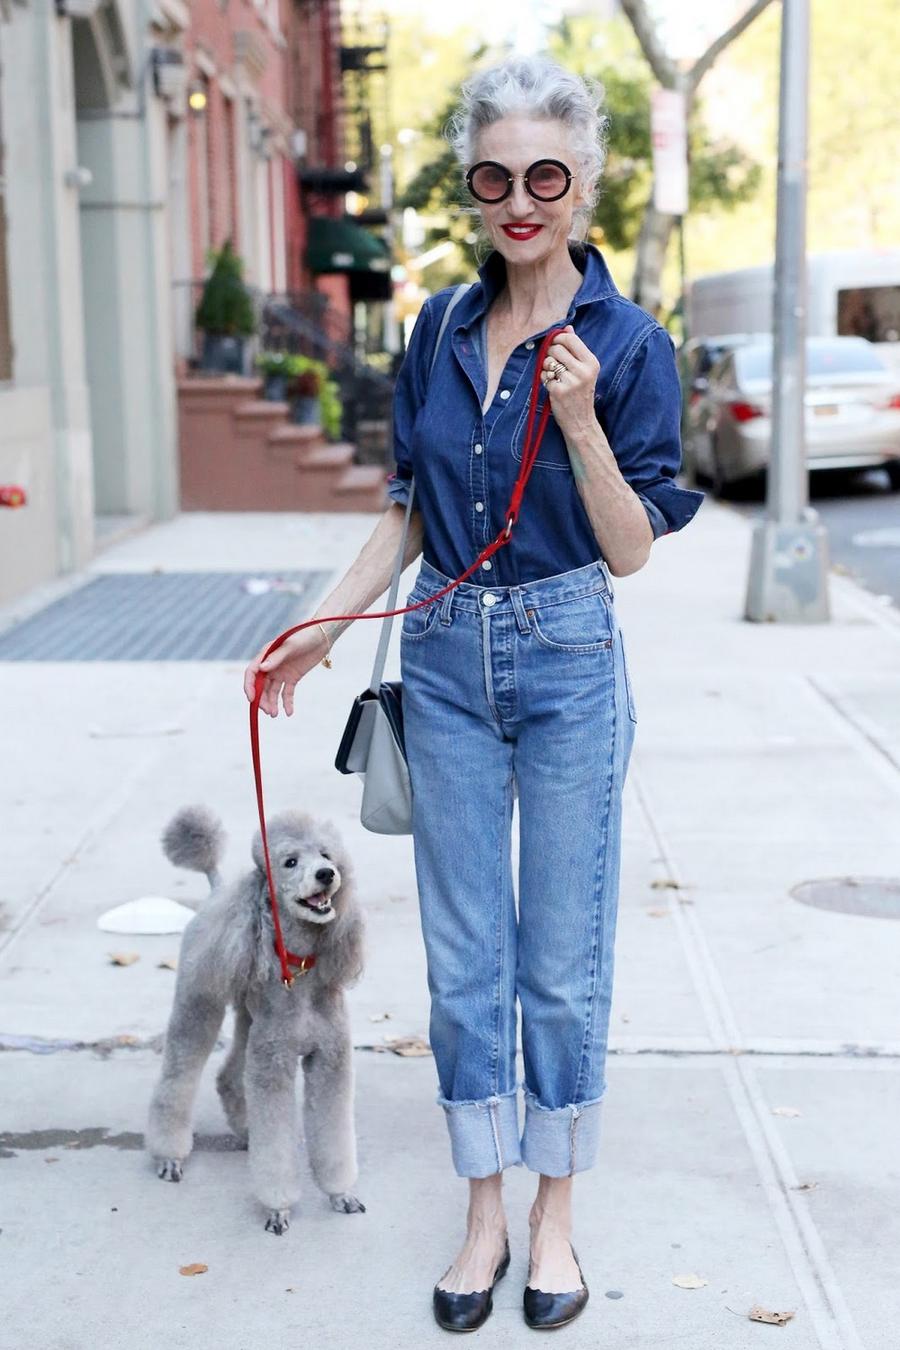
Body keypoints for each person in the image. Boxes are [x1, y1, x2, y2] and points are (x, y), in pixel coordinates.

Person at [244, 53, 703, 1334]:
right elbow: (406, 510)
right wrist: (321, 628)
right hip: (442, 656)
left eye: (545, 175)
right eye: (495, 175)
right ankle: (483, 1210)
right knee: (463, 968)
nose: (520, 199)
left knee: (558, 964)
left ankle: (555, 1217)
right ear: (472, 185)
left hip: (566, 658)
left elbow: (631, 547)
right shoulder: (440, 328)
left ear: (585, 184)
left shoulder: (627, 343)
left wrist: (586, 427)